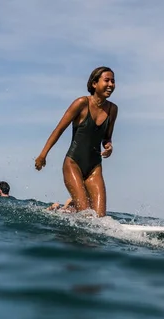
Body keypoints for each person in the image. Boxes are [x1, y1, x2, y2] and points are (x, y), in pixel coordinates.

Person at [34, 66, 118, 217]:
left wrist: (108, 146)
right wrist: (42, 155)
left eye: (113, 81)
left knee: (100, 219)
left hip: (94, 168)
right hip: (73, 164)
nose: (111, 84)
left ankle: (66, 209)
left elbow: (107, 137)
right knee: (85, 214)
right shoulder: (81, 103)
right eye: (107, 80)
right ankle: (61, 210)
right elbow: (59, 130)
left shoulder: (112, 109)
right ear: (94, 84)